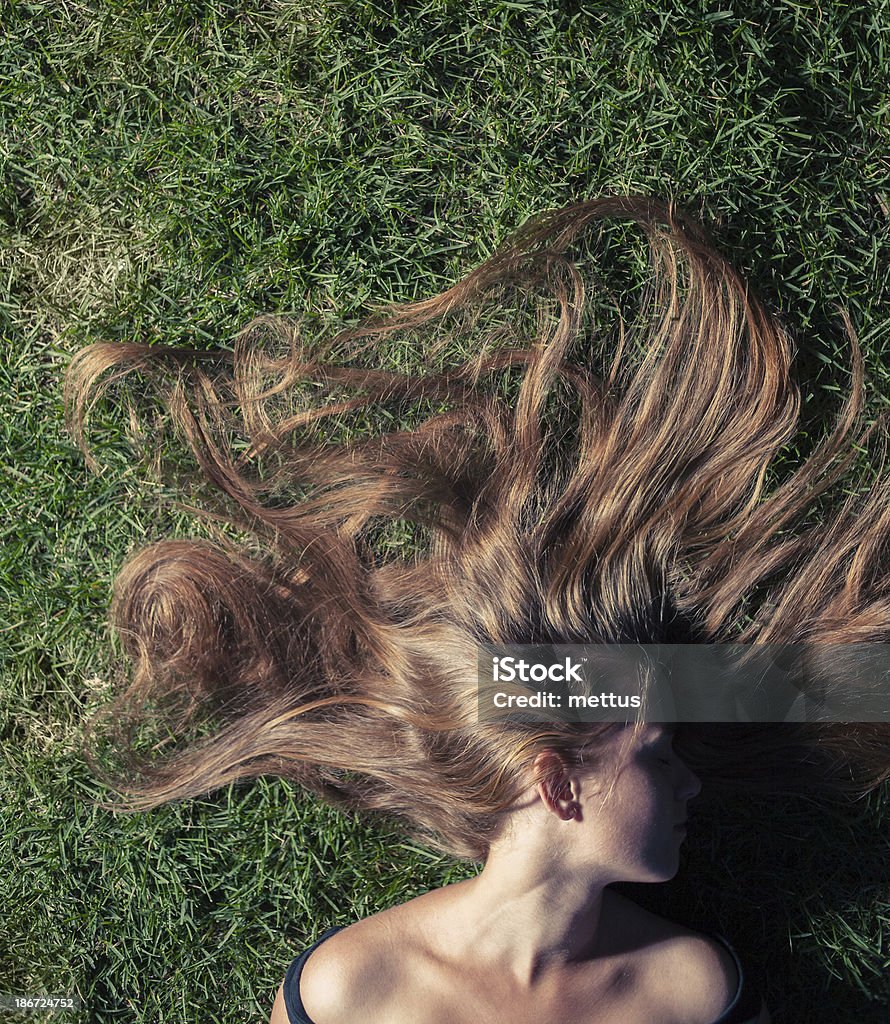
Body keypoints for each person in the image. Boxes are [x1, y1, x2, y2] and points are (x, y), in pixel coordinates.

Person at [64, 195, 890, 1023]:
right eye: (660, 754)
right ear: (557, 782)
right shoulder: (347, 990)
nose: (690, 781)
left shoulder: (693, 989)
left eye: (663, 752)